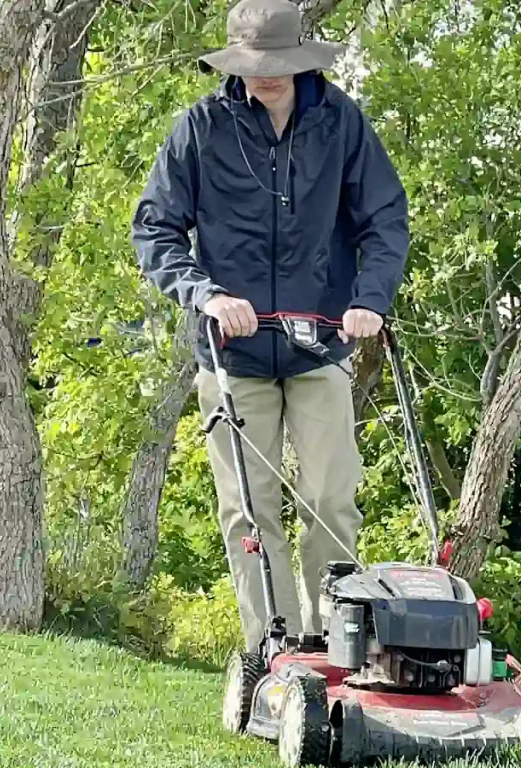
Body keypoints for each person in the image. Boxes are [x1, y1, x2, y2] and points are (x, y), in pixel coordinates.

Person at [131, 0, 409, 653]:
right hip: (234, 354)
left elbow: (386, 220)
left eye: (277, 64)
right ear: (235, 66)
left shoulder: (339, 122)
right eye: (254, 67)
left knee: (331, 501)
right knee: (250, 513)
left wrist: (370, 299)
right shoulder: (200, 129)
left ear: (299, 59)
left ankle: (334, 642)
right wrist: (204, 293)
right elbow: (155, 229)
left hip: (320, 349)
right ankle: (276, 651)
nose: (267, 77)